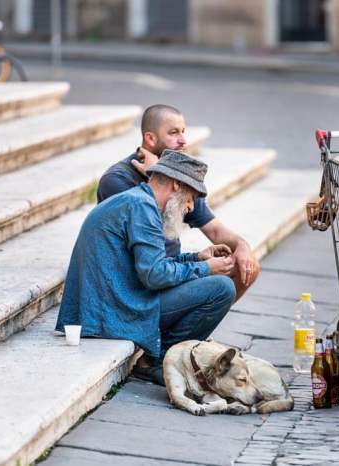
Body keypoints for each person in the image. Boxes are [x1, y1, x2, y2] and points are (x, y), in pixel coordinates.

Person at [56, 151, 237, 385]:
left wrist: (197, 258)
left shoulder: (137, 201)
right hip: (111, 314)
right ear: (176, 184)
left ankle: (160, 357)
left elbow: (152, 266)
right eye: (191, 197)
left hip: (108, 305)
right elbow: (155, 276)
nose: (191, 207)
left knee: (210, 281)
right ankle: (159, 362)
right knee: (222, 288)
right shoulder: (142, 207)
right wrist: (206, 268)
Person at [97, 104, 260, 301]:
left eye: (183, 131)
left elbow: (215, 230)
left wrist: (242, 246)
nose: (183, 140)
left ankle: (199, 318)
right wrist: (155, 177)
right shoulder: (117, 180)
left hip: (171, 270)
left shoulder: (179, 176)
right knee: (220, 287)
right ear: (150, 138)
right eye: (174, 133)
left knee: (245, 267)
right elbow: (145, 234)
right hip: (138, 282)